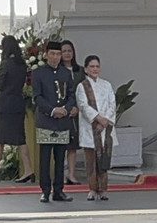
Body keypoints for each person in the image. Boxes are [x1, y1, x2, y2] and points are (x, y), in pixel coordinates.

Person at [0, 35, 35, 183]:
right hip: (18, 104)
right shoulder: (22, 64)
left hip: (5, 105)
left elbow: (1, 84)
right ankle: (28, 170)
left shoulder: (6, 64)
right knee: (20, 139)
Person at [32, 41, 75, 203]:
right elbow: (37, 97)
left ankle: (59, 190)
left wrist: (66, 108)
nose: (56, 57)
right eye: (53, 54)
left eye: (58, 54)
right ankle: (45, 190)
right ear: (46, 55)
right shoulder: (38, 73)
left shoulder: (66, 73)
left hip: (62, 121)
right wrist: (52, 110)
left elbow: (71, 94)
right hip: (46, 120)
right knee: (45, 158)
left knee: (60, 157)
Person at [76, 55, 118, 201]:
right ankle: (92, 189)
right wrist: (98, 118)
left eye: (97, 66)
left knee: (104, 158)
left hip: (105, 129)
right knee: (91, 161)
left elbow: (112, 103)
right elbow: (83, 105)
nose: (95, 69)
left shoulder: (107, 85)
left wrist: (105, 120)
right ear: (86, 69)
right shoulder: (82, 86)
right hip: (90, 128)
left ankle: (103, 189)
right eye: (92, 66)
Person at [60, 40, 86, 185]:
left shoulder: (80, 71)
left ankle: (71, 174)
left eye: (69, 50)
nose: (67, 54)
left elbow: (83, 92)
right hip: (61, 111)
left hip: (75, 113)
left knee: (72, 146)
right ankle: (60, 174)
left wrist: (77, 107)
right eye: (64, 51)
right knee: (61, 145)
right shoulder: (57, 71)